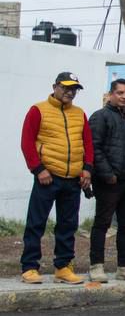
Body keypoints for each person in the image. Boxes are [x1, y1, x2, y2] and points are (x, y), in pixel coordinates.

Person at [18, 72, 94, 284]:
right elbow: (27, 142)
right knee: (36, 223)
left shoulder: (80, 114)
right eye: (66, 87)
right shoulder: (38, 110)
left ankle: (63, 267)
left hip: (73, 179)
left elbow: (87, 144)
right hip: (47, 177)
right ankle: (30, 267)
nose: (70, 92)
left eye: (74, 89)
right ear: (55, 86)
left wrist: (87, 169)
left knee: (68, 225)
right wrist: (38, 169)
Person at [87, 79, 125, 283]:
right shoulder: (100, 117)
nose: (124, 96)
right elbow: (94, 148)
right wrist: (108, 174)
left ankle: (124, 266)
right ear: (111, 94)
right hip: (109, 182)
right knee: (102, 224)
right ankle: (96, 266)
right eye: (120, 92)